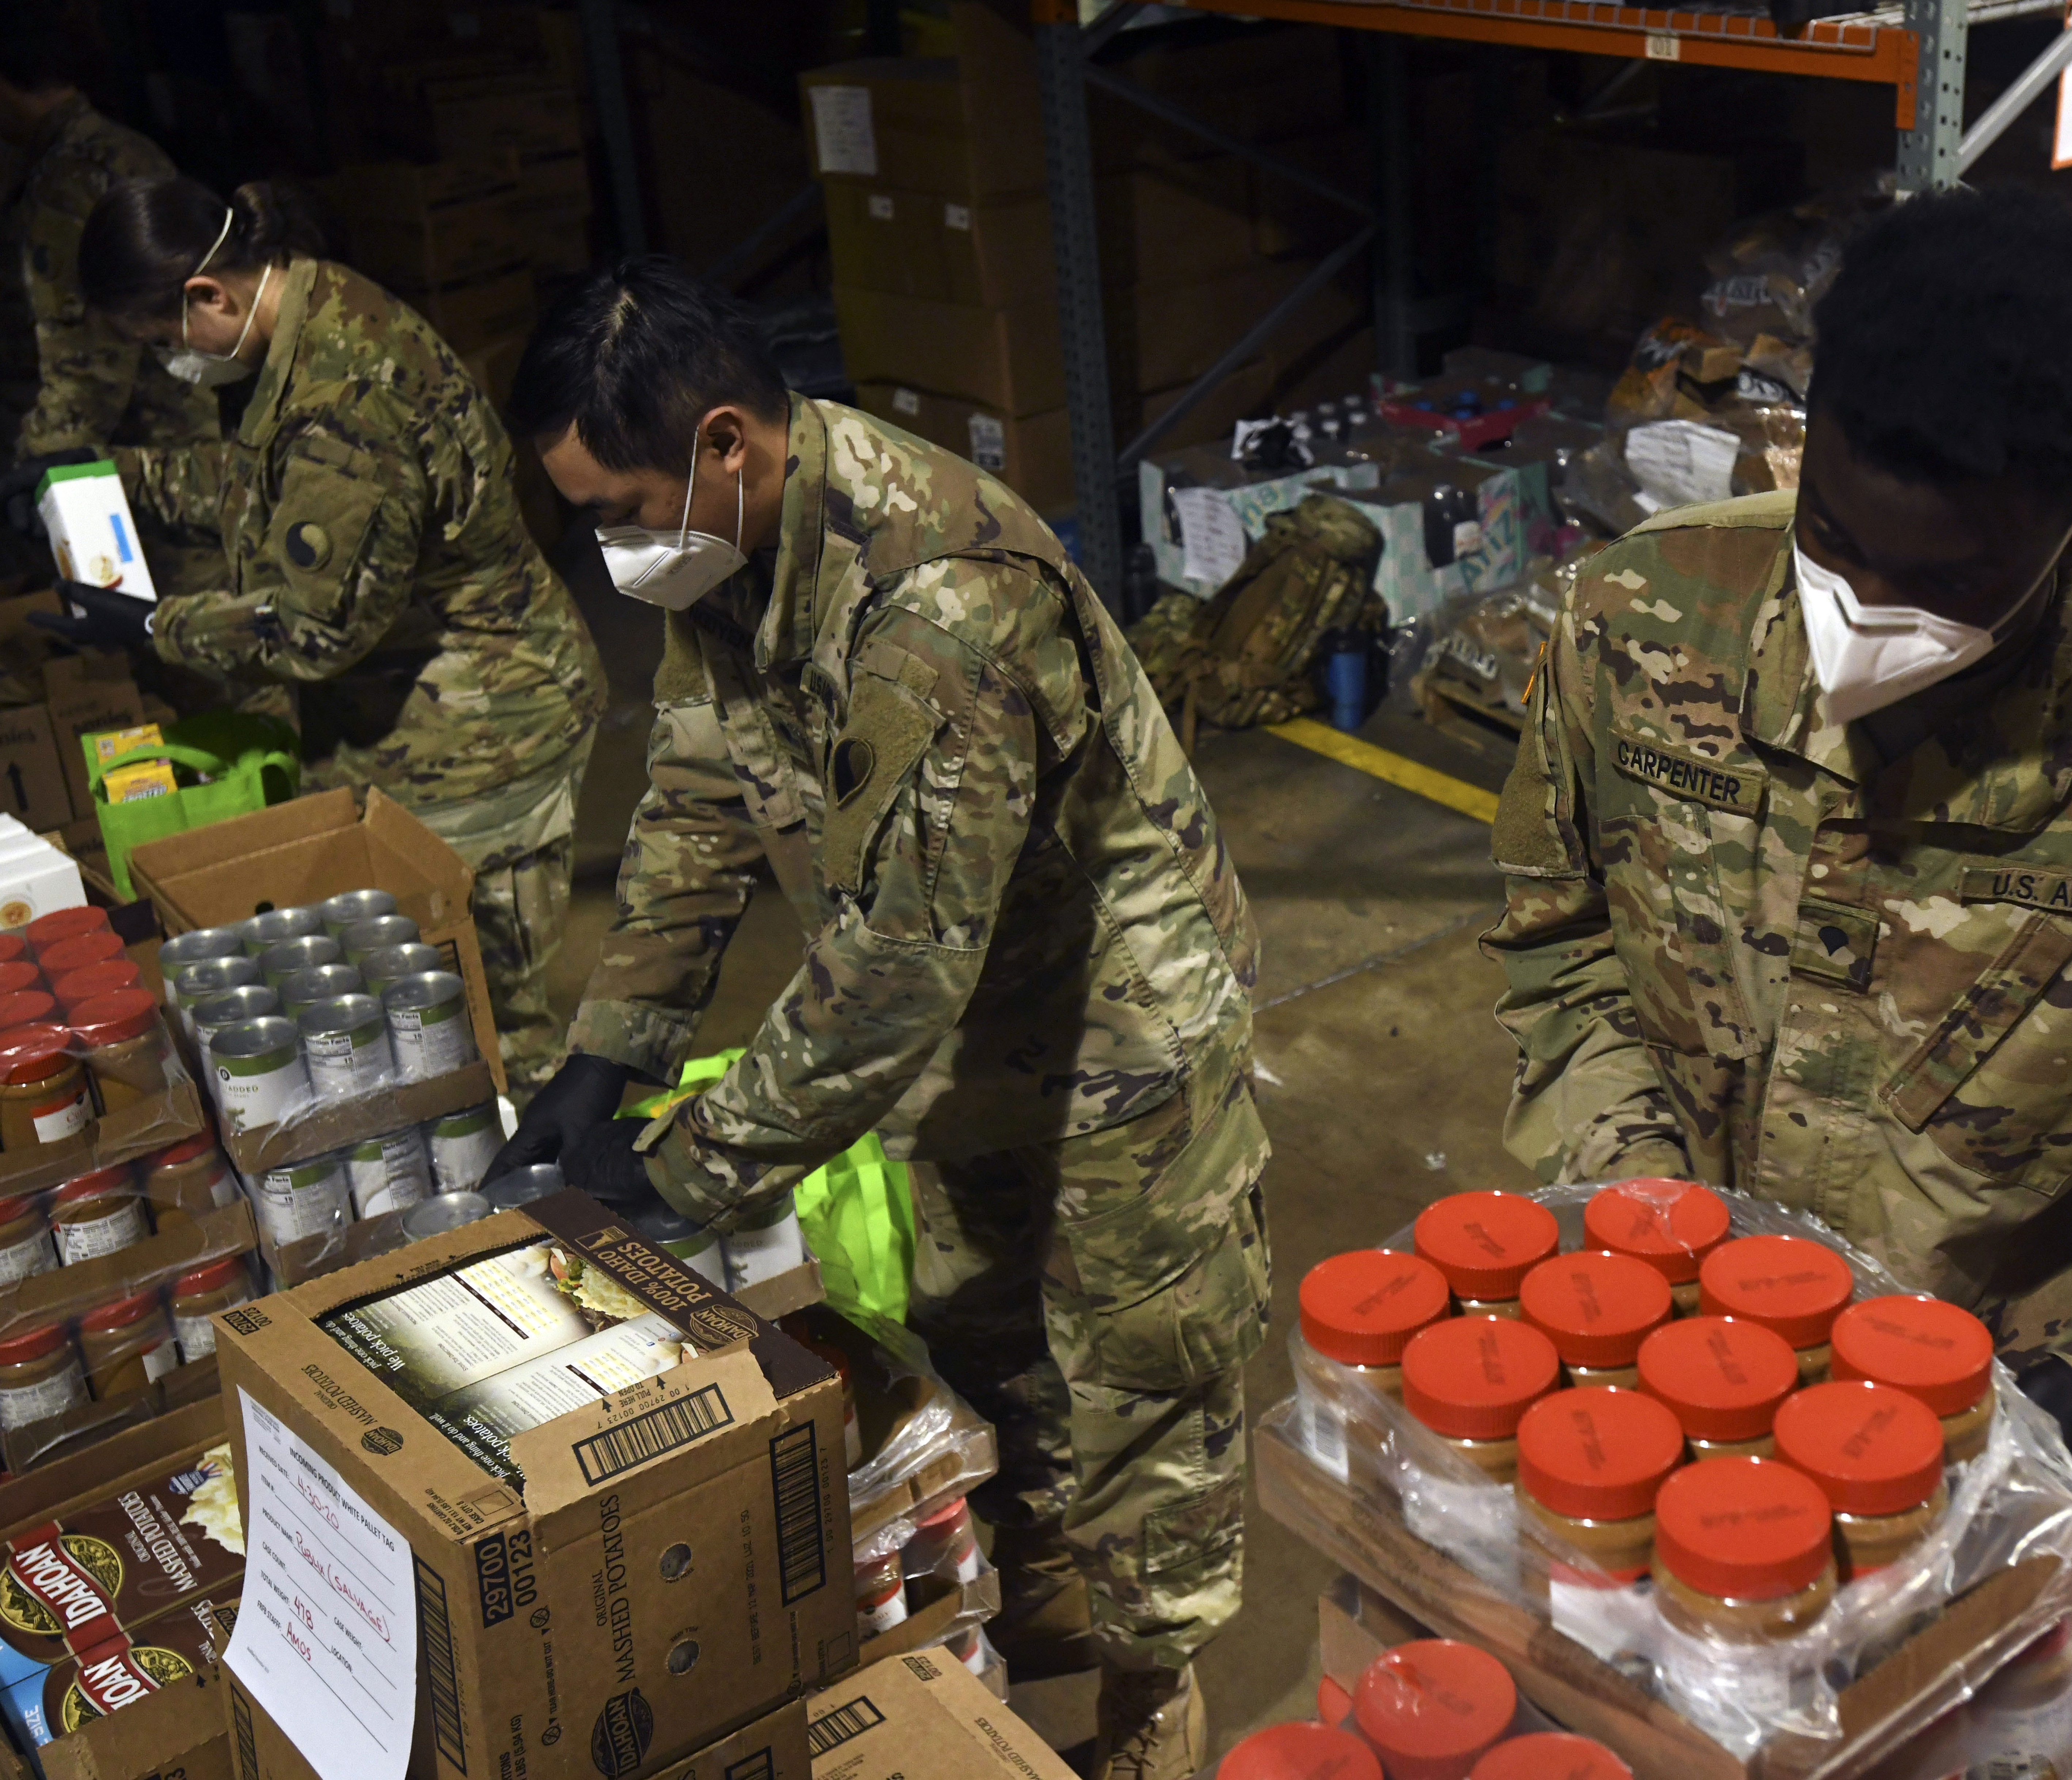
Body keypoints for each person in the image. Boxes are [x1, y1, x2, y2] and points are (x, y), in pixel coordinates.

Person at [1482, 187, 2072, 1745]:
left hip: (1997, 1422)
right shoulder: (1640, 625)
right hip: (1652, 1365)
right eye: (1833, 541)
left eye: (1947, 582)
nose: (1865, 614)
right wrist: (1630, 1233)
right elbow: (1562, 947)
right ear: (1802, 439)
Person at [492, 258, 1267, 1780]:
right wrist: (614, 1044)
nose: (611, 548)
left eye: (620, 510)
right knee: (986, 1338)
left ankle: (1155, 1693)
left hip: (1117, 1025)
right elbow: (702, 796)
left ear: (726, 442)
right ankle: (1037, 1612)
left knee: (1135, 1375)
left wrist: (687, 1169)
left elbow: (904, 961)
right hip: (970, 1025)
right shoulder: (728, 549)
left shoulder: (940, 603)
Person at [18, 175, 606, 1097]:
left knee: (485, 1026)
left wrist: (150, 624)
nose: (169, 363)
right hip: (412, 717)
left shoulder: (341, 399)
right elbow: (262, 487)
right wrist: (115, 474)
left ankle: (551, 1219)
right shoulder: (309, 307)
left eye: (163, 342)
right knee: (416, 1008)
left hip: (485, 730)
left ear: (208, 295)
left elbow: (315, 629)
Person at [0, 2, 216, 578]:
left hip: (119, 469)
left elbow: (88, 373)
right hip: (167, 455)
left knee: (135, 634)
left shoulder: (72, 180)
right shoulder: (114, 151)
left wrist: (37, 475)